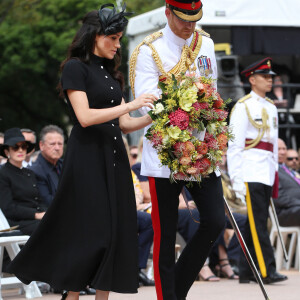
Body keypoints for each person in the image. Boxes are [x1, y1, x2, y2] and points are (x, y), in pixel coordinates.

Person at [8, 4, 157, 300]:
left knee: (115, 232)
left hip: (113, 156)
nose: (117, 45)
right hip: (87, 157)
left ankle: (101, 297)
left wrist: (157, 115)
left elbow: (124, 124)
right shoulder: (75, 68)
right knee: (91, 233)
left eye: (119, 39)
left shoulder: (112, 75)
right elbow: (85, 117)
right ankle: (72, 295)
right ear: (94, 36)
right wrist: (131, 103)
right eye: (112, 38)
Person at [130, 1, 225, 299]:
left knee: (215, 222)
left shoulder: (205, 43)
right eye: (184, 19)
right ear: (168, 13)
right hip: (164, 152)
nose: (189, 26)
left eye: (194, 19)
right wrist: (187, 96)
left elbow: (213, 90)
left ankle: (176, 290)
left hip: (200, 150)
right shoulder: (149, 49)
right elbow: (148, 101)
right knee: (165, 233)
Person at [227, 57, 287, 284]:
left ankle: (245, 271)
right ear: (252, 80)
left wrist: (274, 174)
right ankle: (266, 270)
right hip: (250, 172)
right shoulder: (243, 106)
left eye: (270, 77)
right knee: (259, 224)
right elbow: (235, 146)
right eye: (264, 77)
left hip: (265, 173)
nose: (269, 80)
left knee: (258, 222)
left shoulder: (271, 107)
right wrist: (237, 180)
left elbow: (272, 146)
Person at [0, 128, 46, 235]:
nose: (20, 150)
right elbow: (8, 208)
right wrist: (36, 215)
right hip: (15, 222)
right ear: (7, 152)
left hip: (35, 219)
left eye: (23, 147)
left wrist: (47, 212)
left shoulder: (30, 173)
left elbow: (38, 200)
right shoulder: (2, 174)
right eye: (15, 147)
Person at [30, 125, 64, 207]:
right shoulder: (36, 171)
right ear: (41, 145)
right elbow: (49, 202)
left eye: (60, 144)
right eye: (52, 144)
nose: (57, 148)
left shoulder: (65, 165)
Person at [273, 139, 300, 227]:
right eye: (279, 149)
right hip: (284, 212)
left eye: (284, 149)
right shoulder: (272, 170)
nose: (283, 152)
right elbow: (278, 197)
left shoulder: (289, 170)